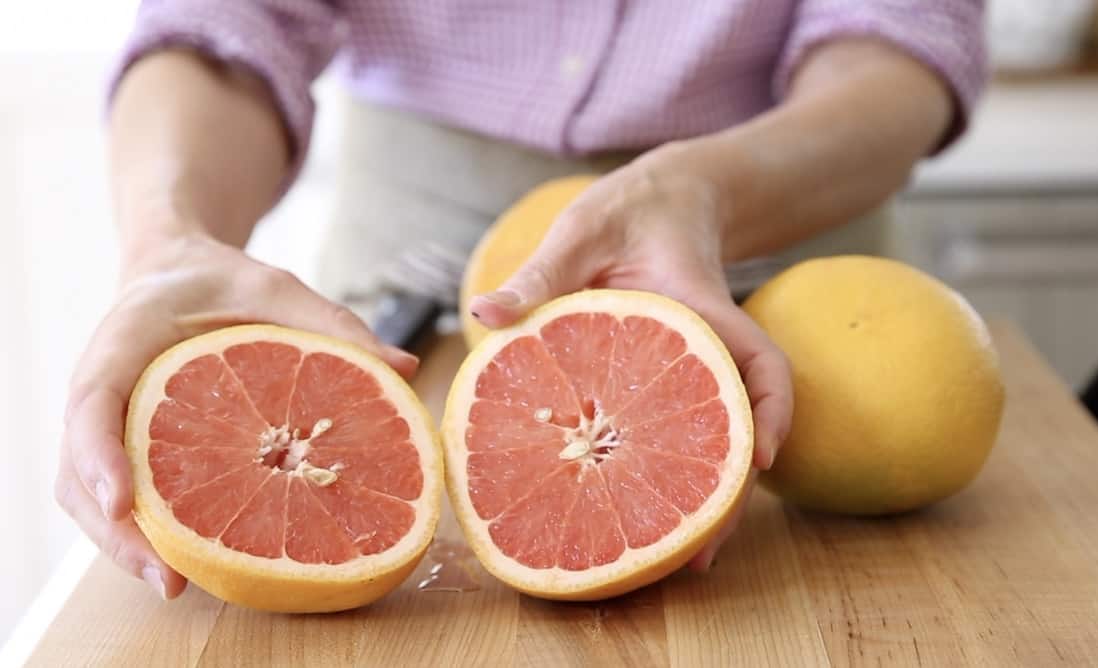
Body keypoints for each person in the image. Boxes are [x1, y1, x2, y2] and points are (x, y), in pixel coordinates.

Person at [57, 1, 986, 599]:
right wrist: (170, 244)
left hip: (777, 231)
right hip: (403, 262)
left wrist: (707, 192)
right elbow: (226, 21)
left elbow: (898, 45)